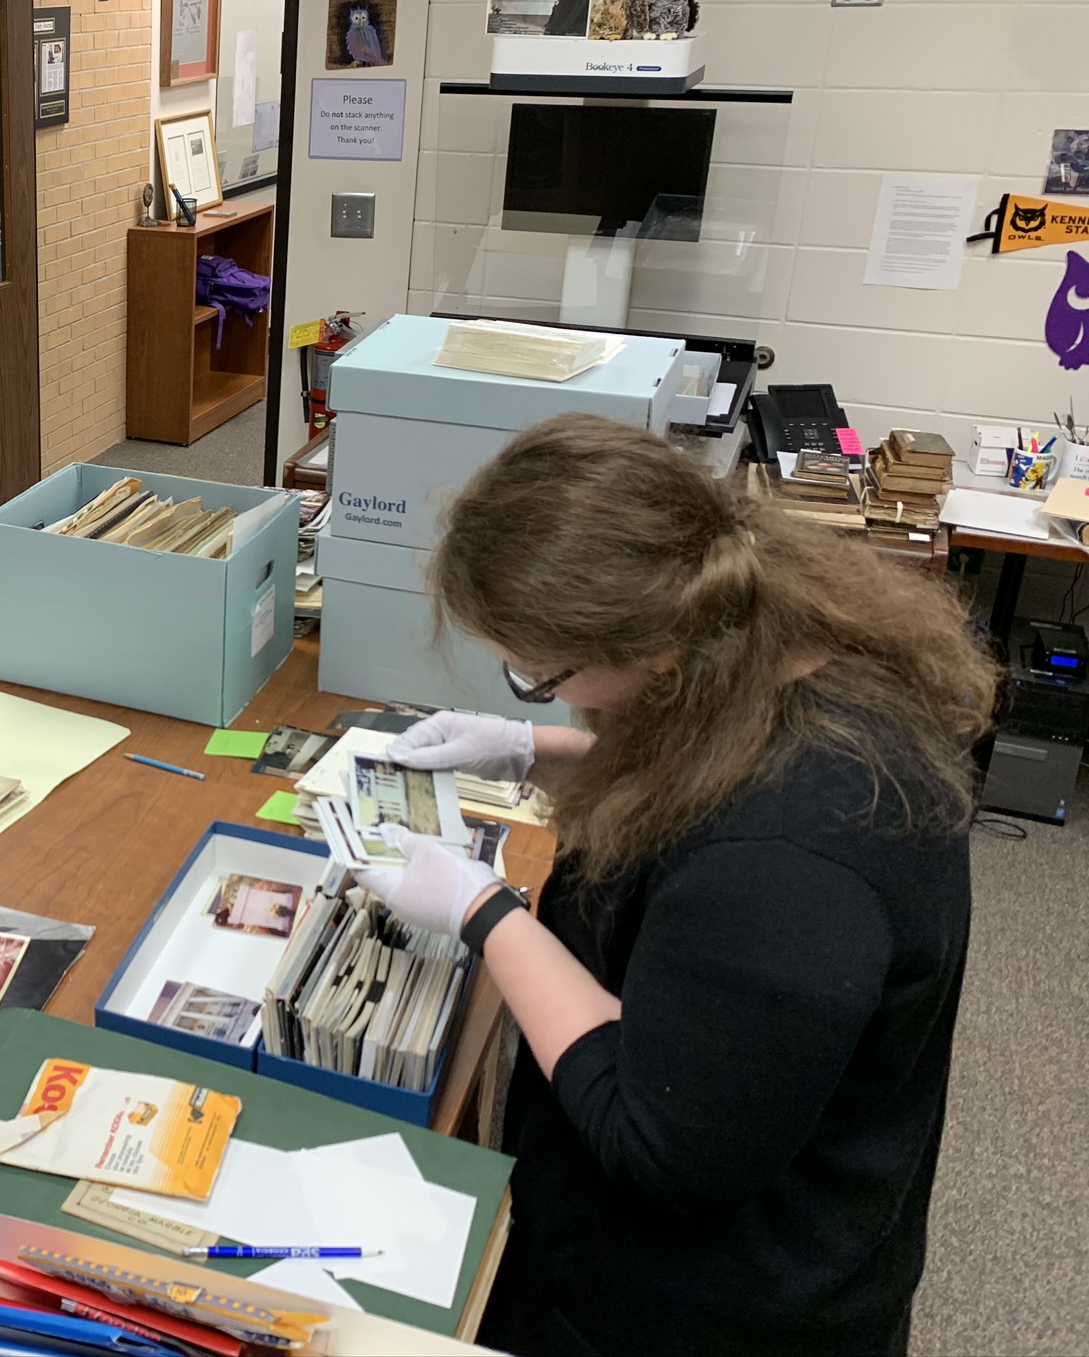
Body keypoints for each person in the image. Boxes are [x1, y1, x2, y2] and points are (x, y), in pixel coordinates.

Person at [358, 413, 994, 1357]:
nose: (539, 691)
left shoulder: (788, 866)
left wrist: (483, 912)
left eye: (540, 678)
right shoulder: (775, 637)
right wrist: (541, 751)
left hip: (709, 1305)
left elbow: (663, 1145)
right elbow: (701, 789)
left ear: (651, 646)